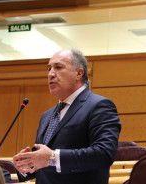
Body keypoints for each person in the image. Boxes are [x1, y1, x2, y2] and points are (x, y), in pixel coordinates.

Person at [13, 49, 121, 184]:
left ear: (79, 73)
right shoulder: (47, 115)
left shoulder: (99, 105)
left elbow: (104, 153)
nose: (51, 74)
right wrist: (26, 165)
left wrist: (53, 157)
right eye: (49, 69)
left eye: (58, 67)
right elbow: (45, 164)